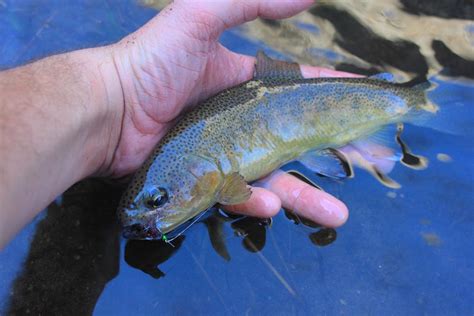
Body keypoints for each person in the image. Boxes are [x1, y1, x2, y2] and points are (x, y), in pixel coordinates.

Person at [0, 0, 391, 248]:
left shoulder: (209, 171)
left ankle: (410, 101)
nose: (146, 219)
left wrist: (117, 91)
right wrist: (118, 91)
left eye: (157, 200)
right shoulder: (202, 169)